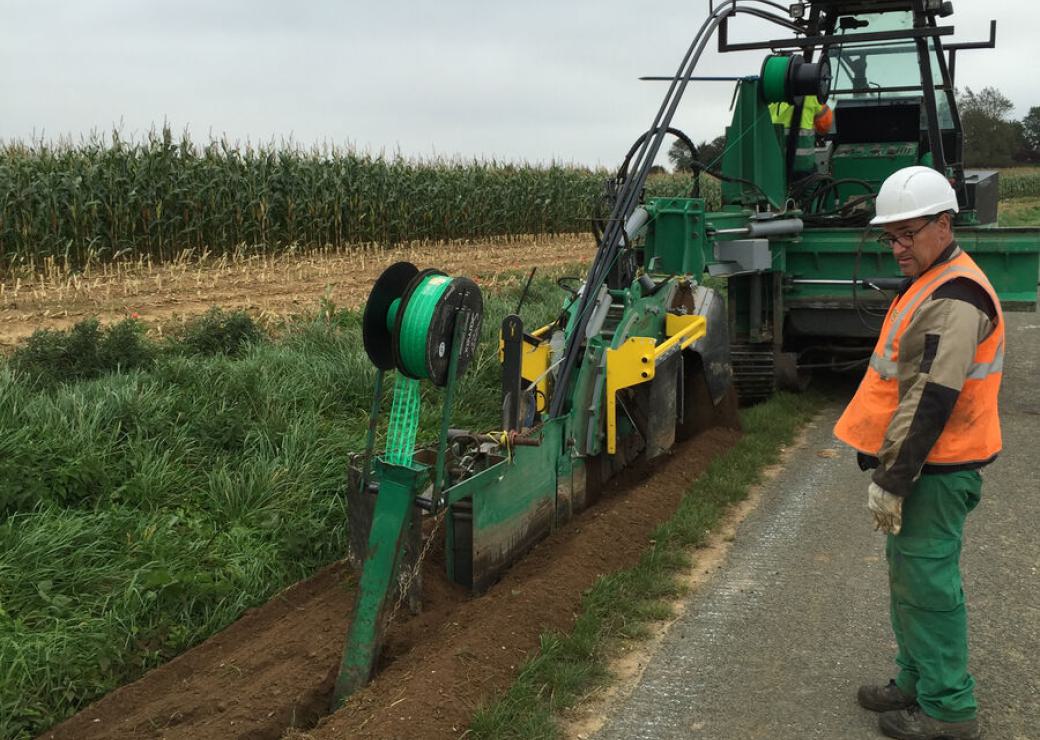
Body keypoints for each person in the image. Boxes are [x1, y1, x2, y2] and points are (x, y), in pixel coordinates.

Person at [833, 166, 1003, 740]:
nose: (897, 248)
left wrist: (895, 477)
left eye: (908, 234)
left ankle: (949, 711)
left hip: (938, 467)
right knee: (908, 578)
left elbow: (932, 397)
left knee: (928, 588)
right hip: (926, 464)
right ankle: (914, 681)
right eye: (890, 237)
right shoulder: (934, 278)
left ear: (944, 223)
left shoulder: (955, 295)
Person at [768, 95, 832, 178]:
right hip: (802, 165)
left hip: (773, 165)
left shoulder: (769, 97)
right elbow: (825, 125)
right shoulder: (810, 94)